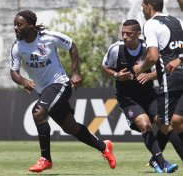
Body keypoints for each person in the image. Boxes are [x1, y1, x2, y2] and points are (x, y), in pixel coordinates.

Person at [9, 10, 116, 173]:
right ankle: (104, 147)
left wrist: (75, 72)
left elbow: (72, 46)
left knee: (38, 113)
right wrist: (23, 81)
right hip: (44, 90)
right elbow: (13, 72)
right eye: (14, 25)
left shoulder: (48, 37)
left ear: (30, 25)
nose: (16, 28)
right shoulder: (17, 47)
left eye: (19, 24)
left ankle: (45, 159)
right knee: (70, 128)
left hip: (60, 85)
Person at [101, 19, 178, 173]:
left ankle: (154, 160)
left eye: (128, 34)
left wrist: (149, 76)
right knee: (145, 124)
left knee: (164, 123)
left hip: (149, 95)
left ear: (138, 34)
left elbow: (165, 69)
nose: (124, 36)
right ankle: (162, 163)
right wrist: (116, 75)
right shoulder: (116, 49)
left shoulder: (149, 49)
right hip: (127, 98)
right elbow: (104, 66)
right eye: (123, 33)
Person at [134, 0, 183, 162]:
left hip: (171, 82)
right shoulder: (178, 22)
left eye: (142, 6)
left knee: (166, 124)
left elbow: (153, 57)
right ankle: (156, 160)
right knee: (175, 122)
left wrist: (140, 68)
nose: (142, 9)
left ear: (149, 6)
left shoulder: (151, 24)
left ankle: (157, 160)